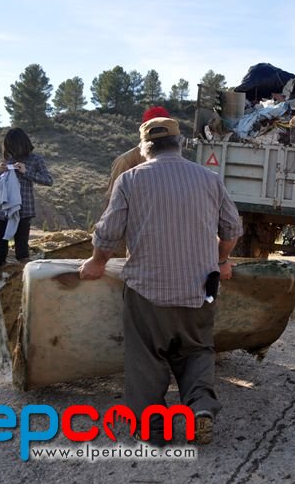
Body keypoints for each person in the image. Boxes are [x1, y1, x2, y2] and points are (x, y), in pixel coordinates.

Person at [79, 115, 243, 446]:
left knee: (146, 357)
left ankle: (154, 428)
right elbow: (232, 229)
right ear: (179, 143)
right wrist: (221, 260)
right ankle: (200, 409)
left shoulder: (130, 180)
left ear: (144, 148)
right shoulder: (209, 179)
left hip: (146, 291)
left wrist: (97, 262)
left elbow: (108, 234)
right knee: (197, 350)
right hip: (199, 288)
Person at [0, 128, 53, 305]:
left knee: (22, 252)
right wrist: (0, 172)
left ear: (21, 144)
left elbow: (48, 180)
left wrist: (26, 172)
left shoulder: (35, 159)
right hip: (1, 212)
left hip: (23, 212)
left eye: (13, 145)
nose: (11, 150)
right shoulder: (7, 160)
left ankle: (27, 290)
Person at [105, 106, 170, 202]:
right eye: (154, 129)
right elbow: (112, 202)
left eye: (162, 129)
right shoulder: (126, 162)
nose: (159, 134)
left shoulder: (172, 162)